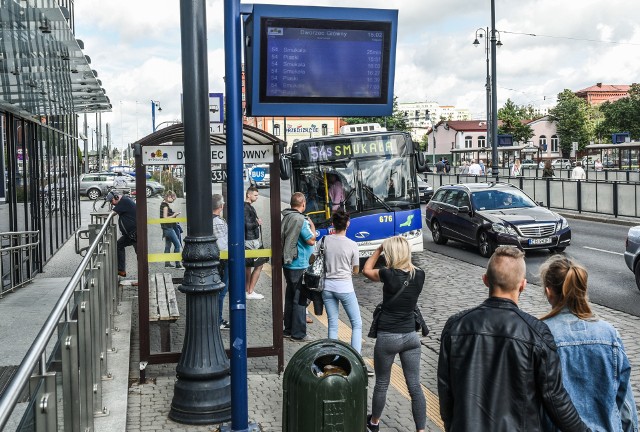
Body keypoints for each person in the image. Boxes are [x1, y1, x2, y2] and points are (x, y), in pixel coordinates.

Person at [437, 246, 589, 432]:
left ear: (486, 280)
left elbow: (446, 391)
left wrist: (451, 425)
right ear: (523, 285)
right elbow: (555, 399)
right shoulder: (537, 333)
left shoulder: (455, 326)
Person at [539, 255, 638, 431]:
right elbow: (625, 404)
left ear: (549, 292)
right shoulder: (609, 334)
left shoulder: (540, 335)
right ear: (582, 290)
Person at [363, 236, 427, 432]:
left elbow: (366, 270)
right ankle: (421, 430)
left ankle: (374, 423)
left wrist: (378, 250)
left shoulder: (387, 274)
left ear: (390, 253)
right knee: (415, 387)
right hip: (411, 337)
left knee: (382, 383)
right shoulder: (420, 274)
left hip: (388, 337)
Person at [316, 210, 361, 352]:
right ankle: (356, 360)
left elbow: (313, 258)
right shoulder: (352, 244)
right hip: (345, 287)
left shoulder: (324, 240)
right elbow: (356, 270)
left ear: (333, 224)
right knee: (356, 323)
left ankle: (332, 357)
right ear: (347, 224)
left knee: (333, 324)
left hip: (327, 287)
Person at [281, 192, 316, 341]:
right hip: (299, 264)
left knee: (290, 297)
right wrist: (312, 226)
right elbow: (311, 240)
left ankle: (288, 329)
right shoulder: (301, 220)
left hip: (288, 264)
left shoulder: (287, 216)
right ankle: (299, 333)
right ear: (303, 204)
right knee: (300, 299)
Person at [212, 194, 230, 330]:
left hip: (216, 259)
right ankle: (217, 320)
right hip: (223, 260)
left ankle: (217, 318)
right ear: (221, 206)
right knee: (221, 292)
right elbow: (223, 244)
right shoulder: (217, 222)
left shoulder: (208, 219)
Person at [109, 191, 137, 278]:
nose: (112, 204)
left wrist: (100, 216)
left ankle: (143, 280)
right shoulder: (124, 201)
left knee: (140, 256)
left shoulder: (124, 201)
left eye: (111, 201)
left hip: (135, 233)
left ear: (117, 197)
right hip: (130, 234)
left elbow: (111, 214)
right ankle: (121, 270)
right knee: (119, 245)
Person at [244, 186, 265, 299]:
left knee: (248, 266)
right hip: (251, 241)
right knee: (259, 265)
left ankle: (248, 290)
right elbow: (247, 225)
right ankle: (250, 290)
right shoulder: (247, 208)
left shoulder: (247, 207)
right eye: (255, 195)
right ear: (249, 195)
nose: (257, 197)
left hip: (249, 240)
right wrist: (258, 223)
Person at [160, 190, 183, 269]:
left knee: (168, 246)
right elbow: (165, 218)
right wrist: (174, 215)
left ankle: (167, 264)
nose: (173, 201)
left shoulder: (163, 204)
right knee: (177, 245)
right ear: (169, 197)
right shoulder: (165, 206)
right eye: (173, 199)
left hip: (165, 229)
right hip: (168, 228)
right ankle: (178, 264)